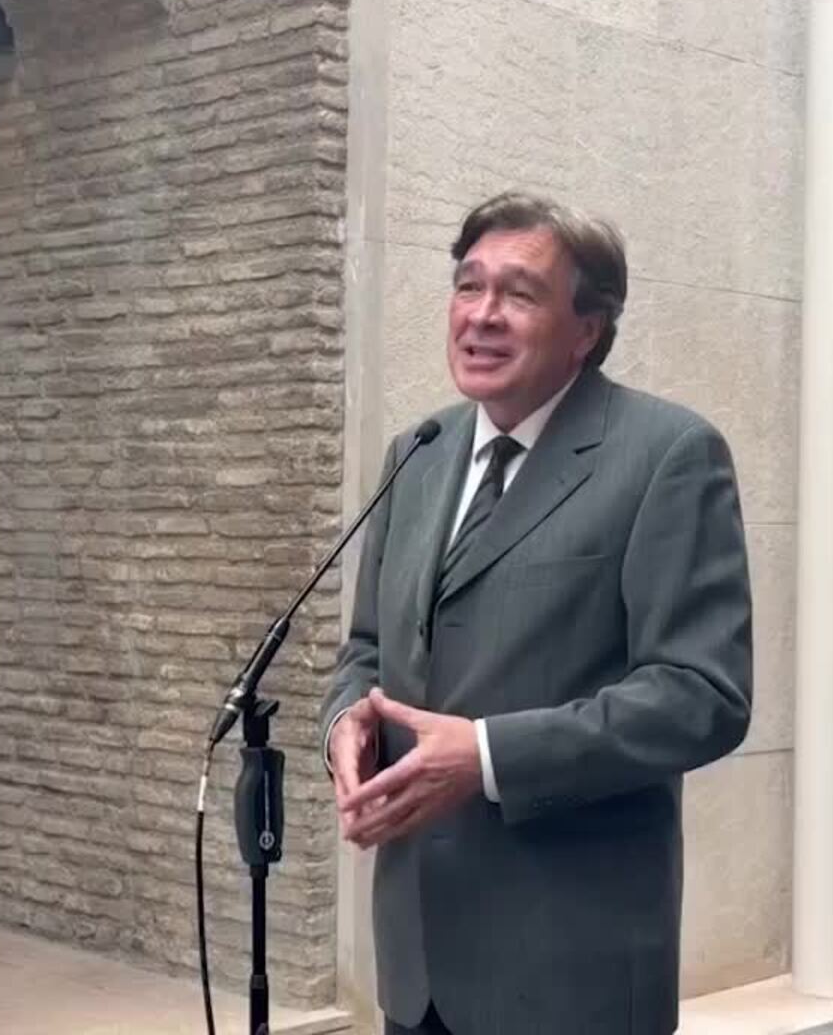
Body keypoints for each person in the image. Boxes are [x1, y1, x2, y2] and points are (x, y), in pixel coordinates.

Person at [322, 192, 753, 1035]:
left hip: (569, 972)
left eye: (518, 293)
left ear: (587, 328)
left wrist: (487, 756)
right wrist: (346, 722)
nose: (482, 314)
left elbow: (702, 695)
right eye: (468, 285)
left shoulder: (668, 455)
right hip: (418, 965)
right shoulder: (418, 454)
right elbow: (368, 648)